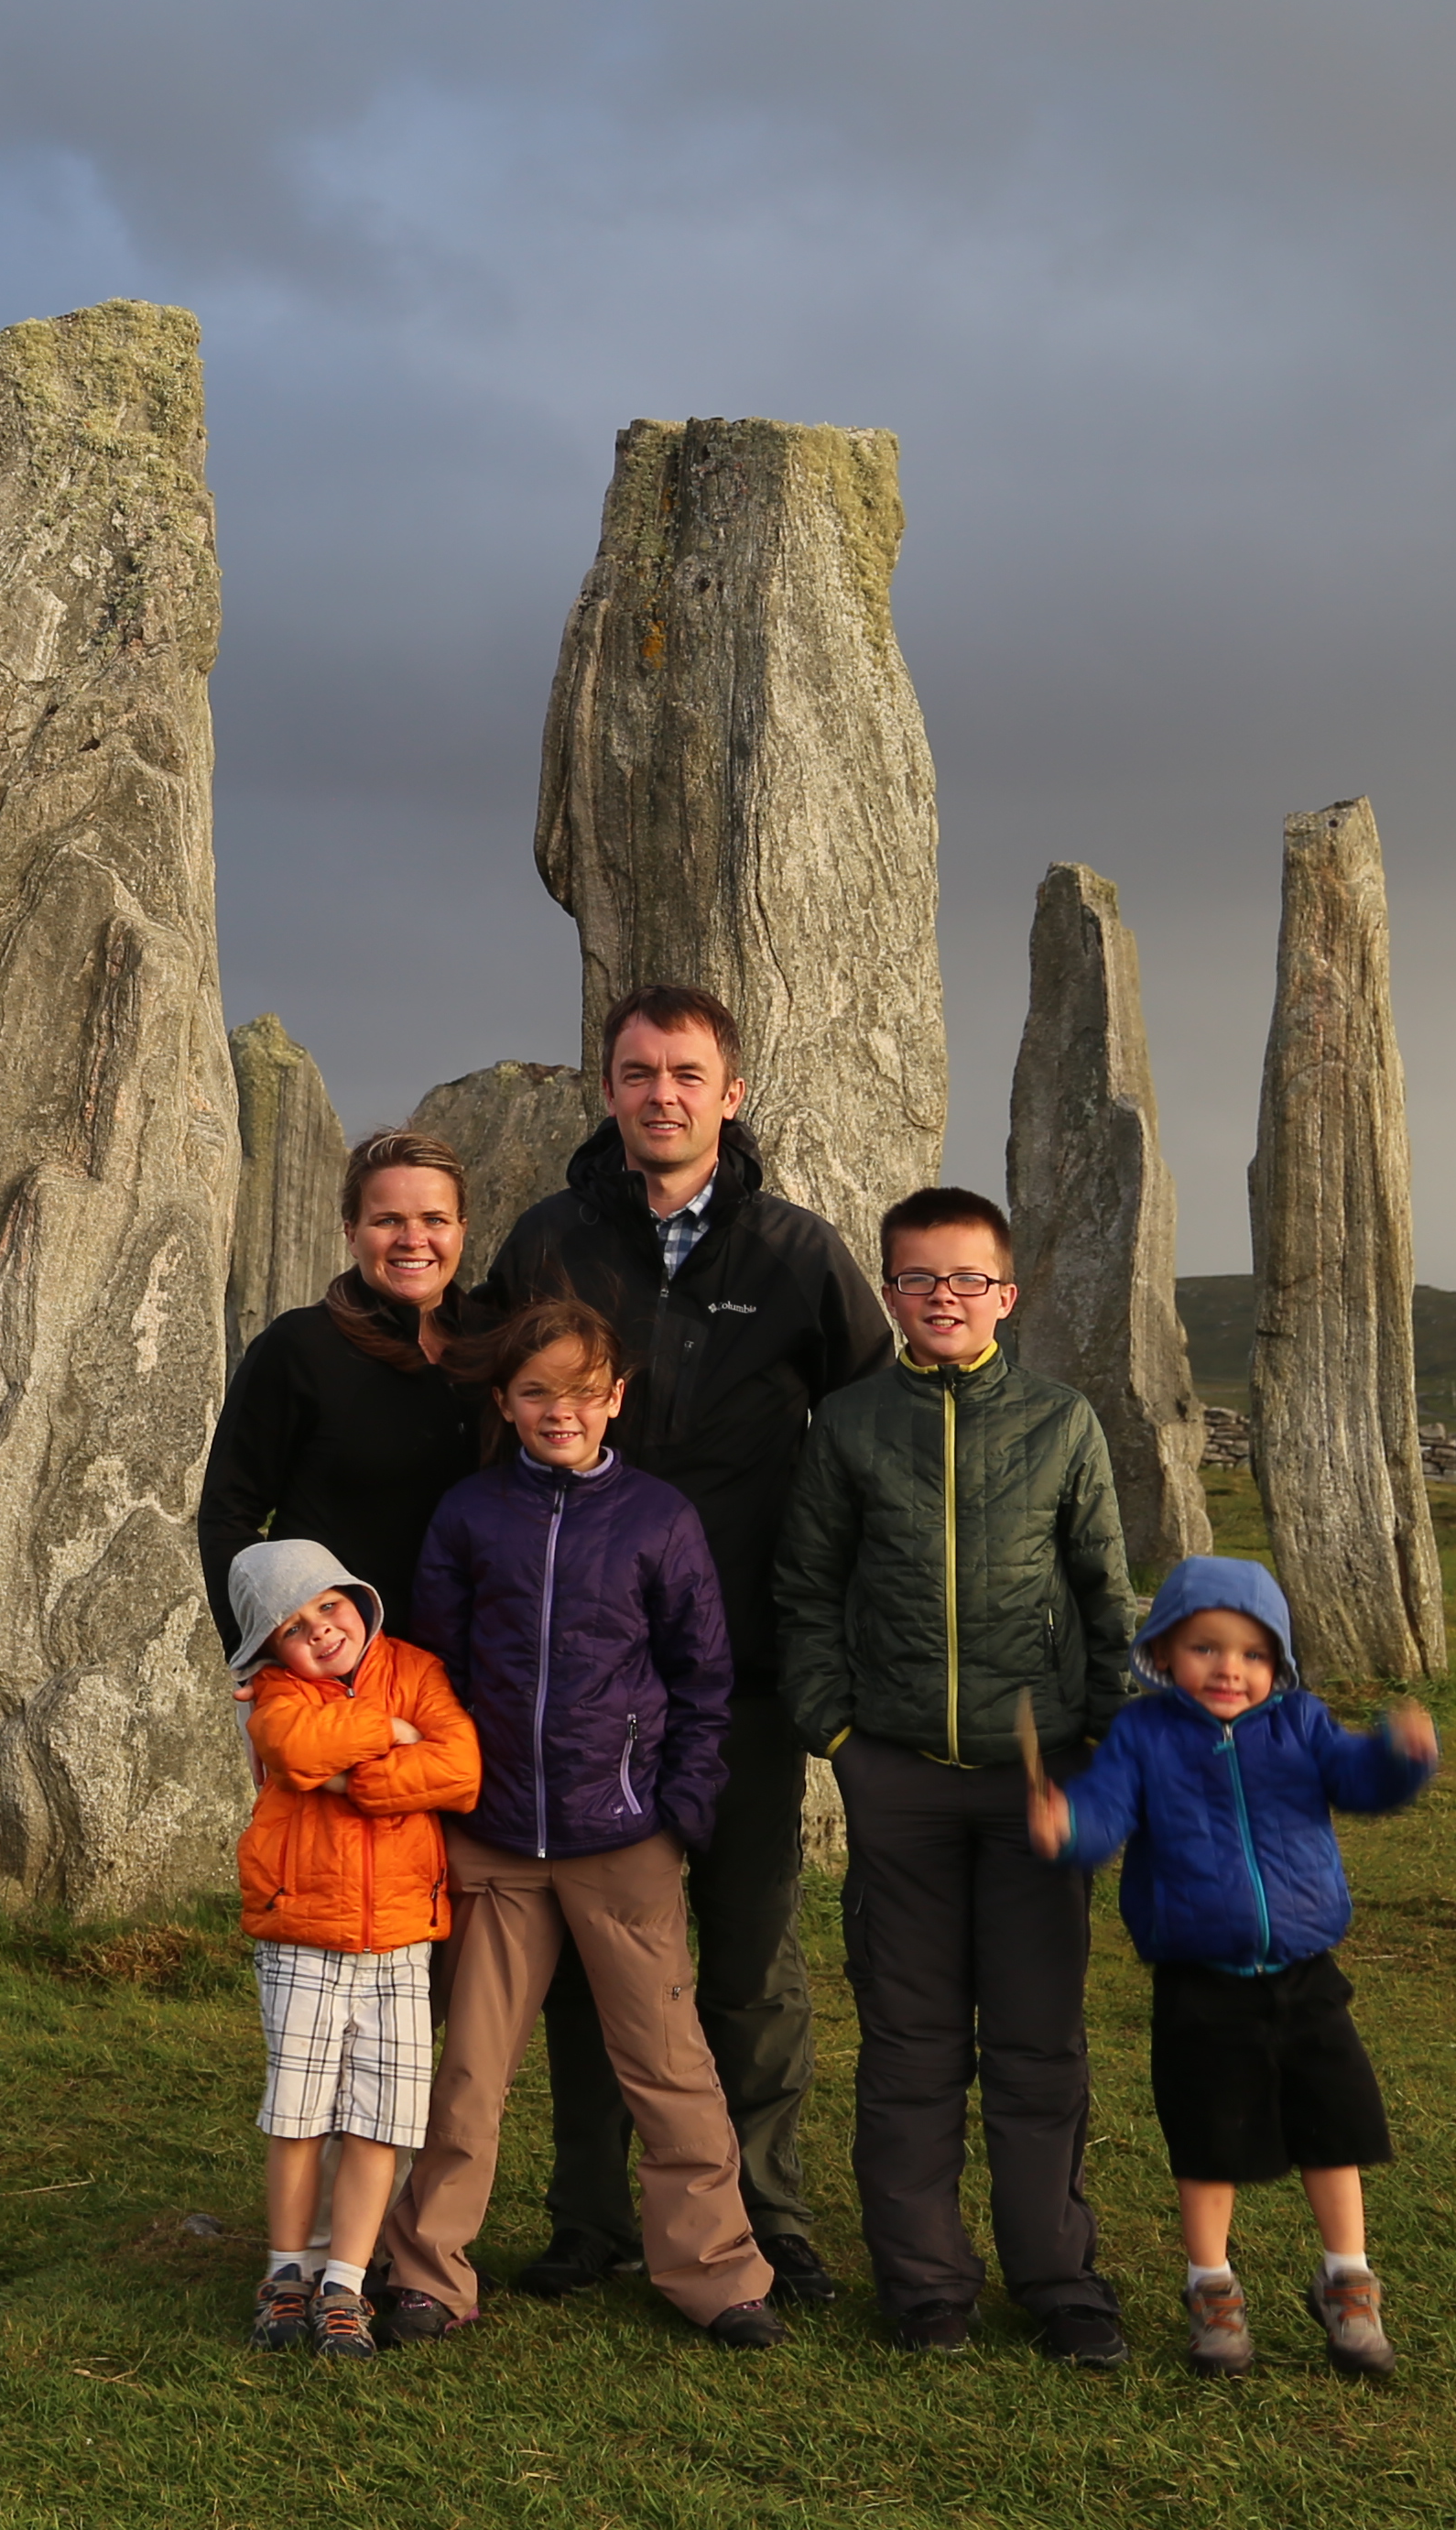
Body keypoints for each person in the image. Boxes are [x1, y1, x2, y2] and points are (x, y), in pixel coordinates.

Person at [476, 988, 886, 2309]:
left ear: (732, 1092)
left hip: (746, 1665)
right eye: (639, 1072)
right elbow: (485, 1411)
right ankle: (592, 2220)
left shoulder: (795, 1255)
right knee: (592, 1960)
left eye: (687, 1074)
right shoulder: (550, 1242)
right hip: (578, 1676)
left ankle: (768, 2221)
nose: (662, 1094)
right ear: (608, 1090)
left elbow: (871, 1433)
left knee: (750, 1954)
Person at [371, 1298, 785, 2352]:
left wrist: (679, 1810)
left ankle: (715, 2273)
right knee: (467, 2070)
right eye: (536, 1392)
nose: (562, 1411)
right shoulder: (470, 1515)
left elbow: (704, 1676)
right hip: (497, 1839)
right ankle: (428, 2271)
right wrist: (454, 1798)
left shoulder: (657, 1517)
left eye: (583, 1392)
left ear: (617, 1398)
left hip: (624, 1837)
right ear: (505, 1403)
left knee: (669, 2065)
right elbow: (436, 1671)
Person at [772, 1183, 1138, 2362]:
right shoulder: (850, 1424)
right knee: (913, 2047)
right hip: (900, 1785)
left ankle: (1059, 2283)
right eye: (920, 1279)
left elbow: (1105, 1598)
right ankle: (925, 2285)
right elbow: (805, 1598)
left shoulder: (1061, 1422)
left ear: (1006, 1295)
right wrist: (842, 1745)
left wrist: (1105, 1759)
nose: (944, 1298)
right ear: (891, 1293)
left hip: (1040, 1786)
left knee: (1039, 2046)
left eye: (967, 1279)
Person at [1029, 1555, 1436, 2380]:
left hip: (1305, 1972)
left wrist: (1401, 1756)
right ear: (1166, 1652)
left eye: (1253, 1654)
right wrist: (1068, 1827)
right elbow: (1105, 1815)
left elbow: (1360, 1780)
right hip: (1198, 1983)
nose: (1230, 1669)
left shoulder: (1303, 1723)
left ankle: (1348, 2287)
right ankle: (1212, 2291)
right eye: (1208, 1649)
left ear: (1278, 1664)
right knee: (1210, 2143)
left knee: (1336, 2129)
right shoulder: (1142, 1736)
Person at [219, 1535, 482, 2360]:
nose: (321, 1631)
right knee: (299, 2115)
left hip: (402, 1936)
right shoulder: (276, 1693)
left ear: (356, 1600)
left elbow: (462, 1770)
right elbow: (294, 1750)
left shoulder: (417, 1670)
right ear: (272, 1648)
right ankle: (285, 2274)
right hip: (304, 1929)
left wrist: (357, 1779)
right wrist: (388, 1731)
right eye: (295, 1626)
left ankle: (345, 2282)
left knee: (382, 2121)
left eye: (328, 1606)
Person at [198, 1130, 485, 1653]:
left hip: (476, 1673)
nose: (412, 1238)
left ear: (462, 1231)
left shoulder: (495, 1348)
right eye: (388, 1220)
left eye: (434, 1220)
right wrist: (263, 1649)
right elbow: (228, 1515)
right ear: (352, 1234)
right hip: (336, 1674)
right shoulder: (301, 1347)